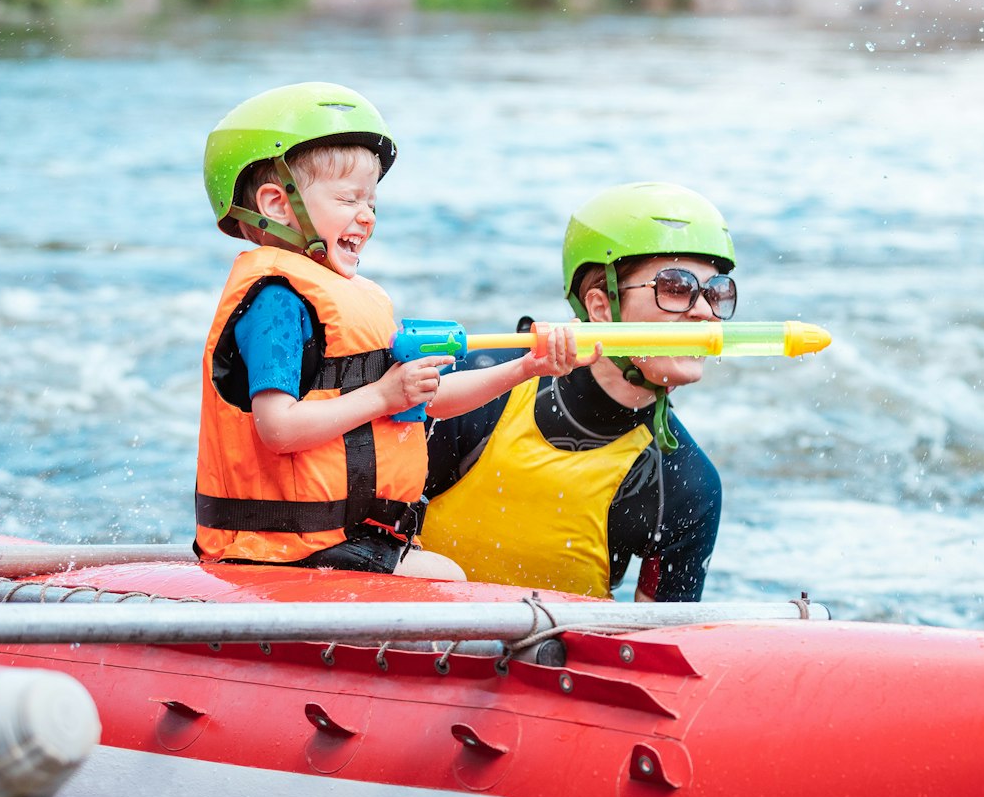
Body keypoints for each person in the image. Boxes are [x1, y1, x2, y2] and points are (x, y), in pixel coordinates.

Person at [195, 82, 579, 577]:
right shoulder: (277, 303)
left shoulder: (341, 300)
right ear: (276, 203)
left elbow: (430, 399)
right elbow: (279, 428)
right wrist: (382, 396)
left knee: (441, 569)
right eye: (349, 198)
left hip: (341, 540)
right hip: (282, 550)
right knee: (446, 577)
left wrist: (529, 367)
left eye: (372, 202)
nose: (367, 217)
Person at [422, 183, 735, 601]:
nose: (704, 311)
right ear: (601, 308)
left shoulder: (685, 485)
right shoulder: (475, 388)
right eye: (676, 288)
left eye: (717, 292)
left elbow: (654, 650)